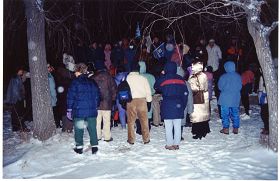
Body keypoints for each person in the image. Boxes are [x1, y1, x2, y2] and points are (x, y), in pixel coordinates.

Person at [67, 63, 100, 154]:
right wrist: (95, 106)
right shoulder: (92, 82)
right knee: (92, 128)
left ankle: (79, 147)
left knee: (79, 129)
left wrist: (69, 109)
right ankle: (94, 147)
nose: (74, 73)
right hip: (91, 110)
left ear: (78, 71)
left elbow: (70, 97)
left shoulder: (75, 82)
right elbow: (98, 96)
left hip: (79, 110)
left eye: (75, 71)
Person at [154, 61, 188, 150]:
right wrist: (183, 105)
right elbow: (185, 94)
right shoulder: (181, 79)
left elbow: (156, 86)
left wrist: (162, 75)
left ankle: (169, 144)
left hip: (167, 104)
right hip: (178, 104)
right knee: (177, 125)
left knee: (168, 126)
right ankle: (176, 144)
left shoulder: (164, 79)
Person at [126, 63, 152, 145]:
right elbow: (148, 91)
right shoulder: (143, 78)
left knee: (131, 121)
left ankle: (131, 139)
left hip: (130, 101)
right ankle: (146, 139)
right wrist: (149, 101)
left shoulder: (127, 78)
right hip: (142, 101)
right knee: (144, 121)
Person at [92, 60, 117, 142]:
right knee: (106, 121)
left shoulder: (93, 77)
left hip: (96, 103)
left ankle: (98, 136)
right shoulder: (109, 77)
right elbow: (114, 89)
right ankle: (107, 137)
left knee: (97, 121)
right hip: (107, 102)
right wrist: (113, 99)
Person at [218, 61, 242, 134]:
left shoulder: (223, 76)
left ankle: (226, 129)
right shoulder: (238, 76)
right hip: (235, 98)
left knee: (225, 114)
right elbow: (240, 87)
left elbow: (220, 87)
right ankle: (235, 128)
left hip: (225, 98)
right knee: (235, 113)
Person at [188, 60, 210, 139]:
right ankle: (205, 130)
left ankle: (198, 132)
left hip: (196, 98)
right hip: (204, 96)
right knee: (203, 114)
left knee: (197, 115)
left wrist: (189, 77)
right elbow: (205, 86)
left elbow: (193, 88)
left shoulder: (193, 76)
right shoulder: (204, 75)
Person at [5, 67, 30, 132]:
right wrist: (20, 98)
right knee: (18, 113)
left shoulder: (16, 77)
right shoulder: (15, 78)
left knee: (15, 113)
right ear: (17, 71)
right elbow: (15, 90)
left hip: (15, 99)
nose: (22, 71)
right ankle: (21, 127)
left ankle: (16, 127)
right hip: (16, 99)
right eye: (21, 70)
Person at [55, 55, 75, 132]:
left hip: (68, 93)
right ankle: (66, 127)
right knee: (65, 111)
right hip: (64, 93)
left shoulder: (70, 73)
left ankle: (69, 127)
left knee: (69, 110)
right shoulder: (62, 72)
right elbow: (60, 83)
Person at [136, 61, 155, 135]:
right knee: (147, 113)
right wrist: (152, 93)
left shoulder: (135, 77)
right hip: (148, 97)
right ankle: (147, 127)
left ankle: (139, 129)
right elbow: (154, 88)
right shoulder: (151, 76)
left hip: (138, 97)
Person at [47, 63, 60, 128]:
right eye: (49, 67)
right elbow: (50, 87)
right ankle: (56, 124)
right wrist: (53, 96)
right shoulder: (47, 76)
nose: (50, 68)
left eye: (50, 67)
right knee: (54, 111)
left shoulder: (50, 75)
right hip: (51, 96)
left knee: (55, 110)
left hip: (53, 95)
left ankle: (56, 123)